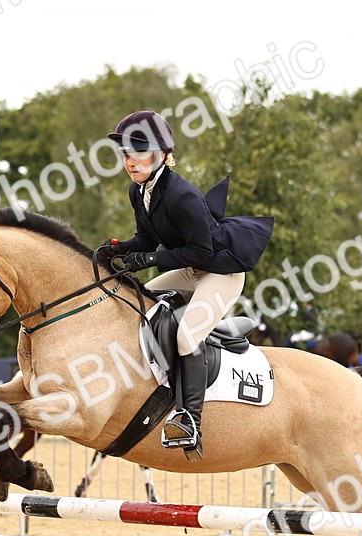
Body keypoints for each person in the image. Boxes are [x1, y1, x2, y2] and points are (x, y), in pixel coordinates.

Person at [94, 110, 273, 460]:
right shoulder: (139, 190)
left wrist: (150, 260)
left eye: (138, 152)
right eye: (126, 153)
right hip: (192, 268)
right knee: (142, 302)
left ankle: (190, 418)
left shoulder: (181, 195)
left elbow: (202, 250)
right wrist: (120, 249)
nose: (130, 161)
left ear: (161, 154)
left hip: (221, 273)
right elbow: (147, 238)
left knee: (187, 335)